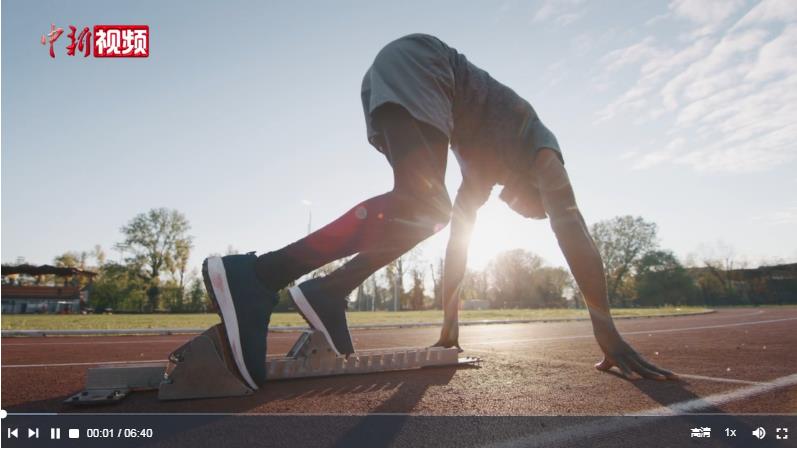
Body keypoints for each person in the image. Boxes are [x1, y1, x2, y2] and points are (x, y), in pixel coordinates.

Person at [202, 33, 678, 390]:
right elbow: (572, 225)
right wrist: (605, 327)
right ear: (537, 190)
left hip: (397, 81)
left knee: (429, 213)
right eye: (529, 207)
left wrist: (449, 326)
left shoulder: (482, 176)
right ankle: (259, 276)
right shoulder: (541, 147)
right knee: (424, 203)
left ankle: (329, 291)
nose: (513, 206)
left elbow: (458, 244)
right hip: (425, 66)